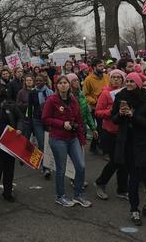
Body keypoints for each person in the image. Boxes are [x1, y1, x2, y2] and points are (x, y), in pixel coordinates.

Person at [111, 72, 146, 226]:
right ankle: (134, 210)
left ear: (138, 83)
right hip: (128, 143)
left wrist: (133, 115)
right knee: (133, 178)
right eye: (128, 80)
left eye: (132, 81)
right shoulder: (120, 96)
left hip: (144, 143)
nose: (129, 83)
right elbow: (113, 119)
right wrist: (120, 114)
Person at [42, 76, 91, 208]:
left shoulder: (73, 100)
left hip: (73, 138)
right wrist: (62, 124)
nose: (63, 85)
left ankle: (78, 194)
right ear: (56, 86)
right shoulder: (51, 100)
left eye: (65, 83)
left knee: (80, 166)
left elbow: (79, 119)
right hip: (58, 139)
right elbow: (45, 119)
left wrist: (81, 138)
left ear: (69, 85)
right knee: (61, 168)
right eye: (61, 83)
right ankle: (60, 196)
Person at [94, 69, 128, 200]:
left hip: (124, 131)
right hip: (110, 131)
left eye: (119, 77)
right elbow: (98, 112)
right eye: (113, 77)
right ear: (109, 78)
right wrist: (112, 111)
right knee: (115, 161)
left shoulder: (125, 92)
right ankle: (100, 183)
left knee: (124, 161)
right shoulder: (105, 93)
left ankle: (122, 189)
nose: (116, 79)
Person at [17, 74, 54, 179]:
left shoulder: (50, 92)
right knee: (41, 143)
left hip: (49, 120)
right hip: (37, 120)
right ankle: (45, 167)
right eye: (36, 80)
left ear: (44, 81)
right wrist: (29, 120)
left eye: (40, 80)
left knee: (50, 142)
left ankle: (51, 162)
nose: (37, 82)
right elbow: (30, 107)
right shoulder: (33, 93)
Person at [82, 58, 109, 155]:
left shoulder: (106, 76)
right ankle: (104, 150)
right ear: (94, 67)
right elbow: (85, 94)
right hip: (96, 108)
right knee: (101, 128)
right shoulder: (88, 79)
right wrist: (95, 101)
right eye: (100, 66)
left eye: (103, 66)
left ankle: (93, 146)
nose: (102, 68)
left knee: (101, 128)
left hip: (107, 107)